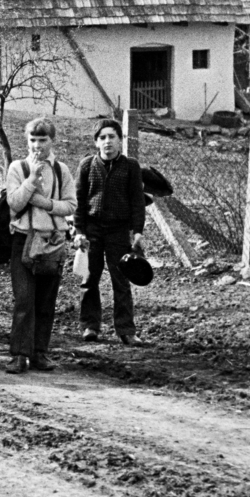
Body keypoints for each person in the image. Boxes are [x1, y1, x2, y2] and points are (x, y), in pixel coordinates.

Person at [3, 118, 77, 375]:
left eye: (43, 140)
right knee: (24, 299)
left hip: (52, 241)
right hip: (23, 240)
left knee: (46, 300)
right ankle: (19, 354)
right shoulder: (17, 167)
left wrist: (46, 204)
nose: (37, 145)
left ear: (51, 141)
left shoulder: (62, 170)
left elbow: (70, 205)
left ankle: (39, 353)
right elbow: (13, 202)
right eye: (32, 140)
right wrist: (31, 179)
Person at [75, 118, 147, 346]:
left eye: (112, 137)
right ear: (97, 142)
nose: (107, 142)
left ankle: (126, 330)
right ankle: (89, 326)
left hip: (118, 231)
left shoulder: (131, 166)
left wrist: (137, 232)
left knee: (121, 280)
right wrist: (79, 231)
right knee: (89, 279)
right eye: (103, 138)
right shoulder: (87, 165)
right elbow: (78, 201)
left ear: (120, 141)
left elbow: (137, 201)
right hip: (93, 230)